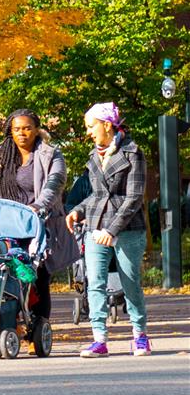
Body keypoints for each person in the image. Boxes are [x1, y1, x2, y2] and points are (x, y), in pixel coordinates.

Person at [0, 109, 79, 329]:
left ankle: (38, 325)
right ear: (10, 131)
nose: (22, 133)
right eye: (17, 129)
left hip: (37, 222)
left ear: (36, 130)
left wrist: (37, 207)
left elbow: (55, 184)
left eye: (27, 128)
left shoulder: (50, 155)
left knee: (38, 276)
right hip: (4, 223)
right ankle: (4, 322)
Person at [66, 102, 150, 356]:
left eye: (91, 126)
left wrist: (111, 230)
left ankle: (140, 336)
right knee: (95, 283)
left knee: (130, 282)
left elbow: (134, 198)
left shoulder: (133, 153)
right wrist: (78, 210)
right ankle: (99, 339)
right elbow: (97, 196)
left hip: (128, 230)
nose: (89, 132)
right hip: (95, 226)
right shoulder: (94, 155)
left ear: (106, 125)